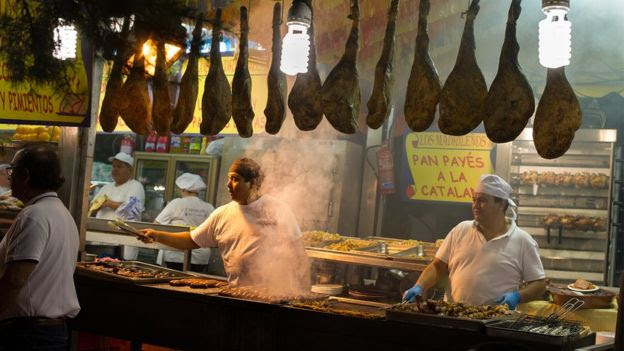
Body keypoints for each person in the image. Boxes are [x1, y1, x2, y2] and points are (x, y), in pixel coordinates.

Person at [139, 158, 310, 292]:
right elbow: (191, 240)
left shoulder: (276, 209)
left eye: (235, 179)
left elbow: (297, 252)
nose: (228, 185)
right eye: (229, 179)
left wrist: (303, 290)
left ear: (253, 183)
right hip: (236, 292)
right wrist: (157, 235)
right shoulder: (222, 214)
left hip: (273, 294)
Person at [403, 174, 546, 310]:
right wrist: (420, 286)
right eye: (474, 200)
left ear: (501, 204)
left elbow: (539, 284)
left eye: (482, 200)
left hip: (494, 321)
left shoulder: (522, 241)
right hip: (453, 315)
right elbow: (438, 265)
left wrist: (517, 296)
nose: (475, 205)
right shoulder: (461, 230)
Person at [0, 144, 80, 350]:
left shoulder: (34, 215)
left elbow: (16, 278)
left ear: (24, 175)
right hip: (46, 332)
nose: (9, 177)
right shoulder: (61, 213)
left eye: (12, 171)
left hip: (28, 335)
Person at [90, 152, 145, 260]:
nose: (115, 169)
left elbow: (130, 209)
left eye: (119, 166)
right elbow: (91, 207)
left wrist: (107, 203)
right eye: (114, 166)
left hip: (123, 245)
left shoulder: (136, 186)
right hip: (101, 242)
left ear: (130, 169)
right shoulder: (106, 187)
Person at [155, 173, 215, 272]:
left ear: (183, 189)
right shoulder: (209, 207)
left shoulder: (177, 203)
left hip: (177, 254)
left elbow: (157, 224)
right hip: (201, 256)